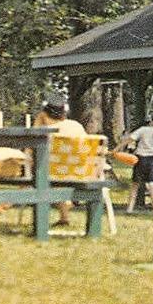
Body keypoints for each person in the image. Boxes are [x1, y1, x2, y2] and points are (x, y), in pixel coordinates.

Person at [32, 91, 86, 226]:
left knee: (41, 173)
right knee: (56, 171)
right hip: (81, 173)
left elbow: (31, 151)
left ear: (45, 113)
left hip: (55, 175)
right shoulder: (76, 126)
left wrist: (38, 122)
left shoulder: (46, 132)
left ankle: (5, 203)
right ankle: (64, 218)